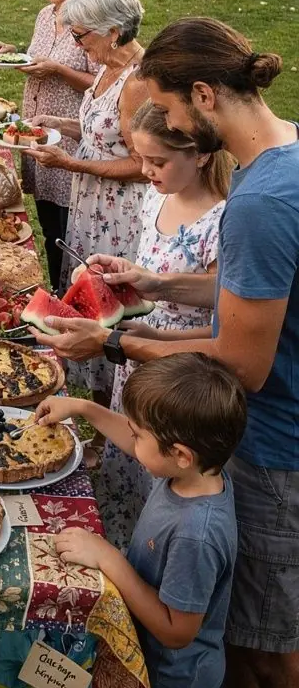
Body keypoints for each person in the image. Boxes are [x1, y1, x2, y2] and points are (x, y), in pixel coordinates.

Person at [38, 17, 299, 688]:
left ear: (205, 95)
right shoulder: (280, 155)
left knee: (275, 647)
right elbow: (246, 288)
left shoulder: (259, 199)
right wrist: (160, 288)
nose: (162, 123)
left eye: (168, 109)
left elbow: (242, 362)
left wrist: (117, 344)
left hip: (272, 436)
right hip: (262, 427)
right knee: (245, 624)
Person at [36, 354, 247, 688]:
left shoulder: (196, 534)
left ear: (180, 454)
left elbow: (176, 630)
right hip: (167, 682)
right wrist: (82, 408)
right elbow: (141, 446)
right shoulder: (192, 474)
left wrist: (108, 558)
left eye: (138, 432)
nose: (131, 439)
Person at [99, 99, 231, 549]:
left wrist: (156, 336)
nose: (146, 170)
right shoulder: (156, 200)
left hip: (180, 376)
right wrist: (121, 276)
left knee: (162, 485)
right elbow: (151, 274)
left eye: (158, 161)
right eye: (141, 159)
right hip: (135, 355)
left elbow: (224, 328)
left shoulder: (222, 222)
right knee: (129, 466)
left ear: (201, 154)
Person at [30, 0, 148, 408]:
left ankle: (113, 416)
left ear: (113, 30)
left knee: (114, 319)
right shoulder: (105, 67)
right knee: (89, 303)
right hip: (90, 205)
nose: (78, 45)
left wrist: (70, 163)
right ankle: (97, 406)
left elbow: (141, 164)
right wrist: (62, 126)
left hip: (118, 216)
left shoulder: (138, 81)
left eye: (82, 35)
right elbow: (106, 131)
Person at [0, 0, 97, 287]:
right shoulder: (45, 15)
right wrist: (15, 53)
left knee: (71, 226)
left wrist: (58, 72)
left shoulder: (91, 23)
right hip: (38, 128)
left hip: (71, 135)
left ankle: (73, 290)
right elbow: (42, 55)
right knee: (49, 221)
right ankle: (57, 285)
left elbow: (104, 83)